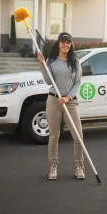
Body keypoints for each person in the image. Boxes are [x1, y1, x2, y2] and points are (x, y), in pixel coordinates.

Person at [36, 32, 84, 181]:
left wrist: (68, 97)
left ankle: (78, 165)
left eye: (68, 42)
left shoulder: (75, 62)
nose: (65, 45)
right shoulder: (51, 61)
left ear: (71, 45)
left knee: (78, 136)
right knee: (54, 136)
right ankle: (53, 165)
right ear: (58, 44)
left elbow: (77, 83)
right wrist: (42, 65)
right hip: (54, 102)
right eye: (63, 42)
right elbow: (48, 81)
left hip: (70, 102)